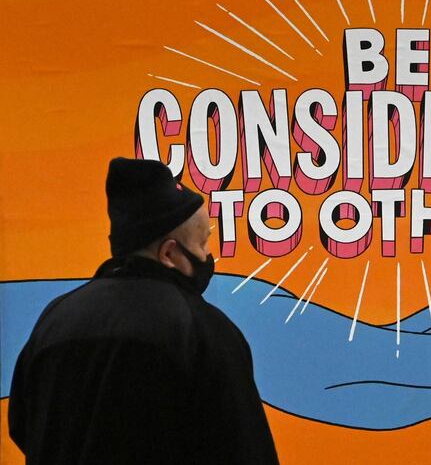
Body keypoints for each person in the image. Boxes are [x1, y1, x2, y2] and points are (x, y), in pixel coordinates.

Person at [9, 157, 279, 464]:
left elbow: (22, 426)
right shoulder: (202, 330)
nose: (207, 255)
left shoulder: (54, 321)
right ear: (169, 253)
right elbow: (245, 449)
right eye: (203, 243)